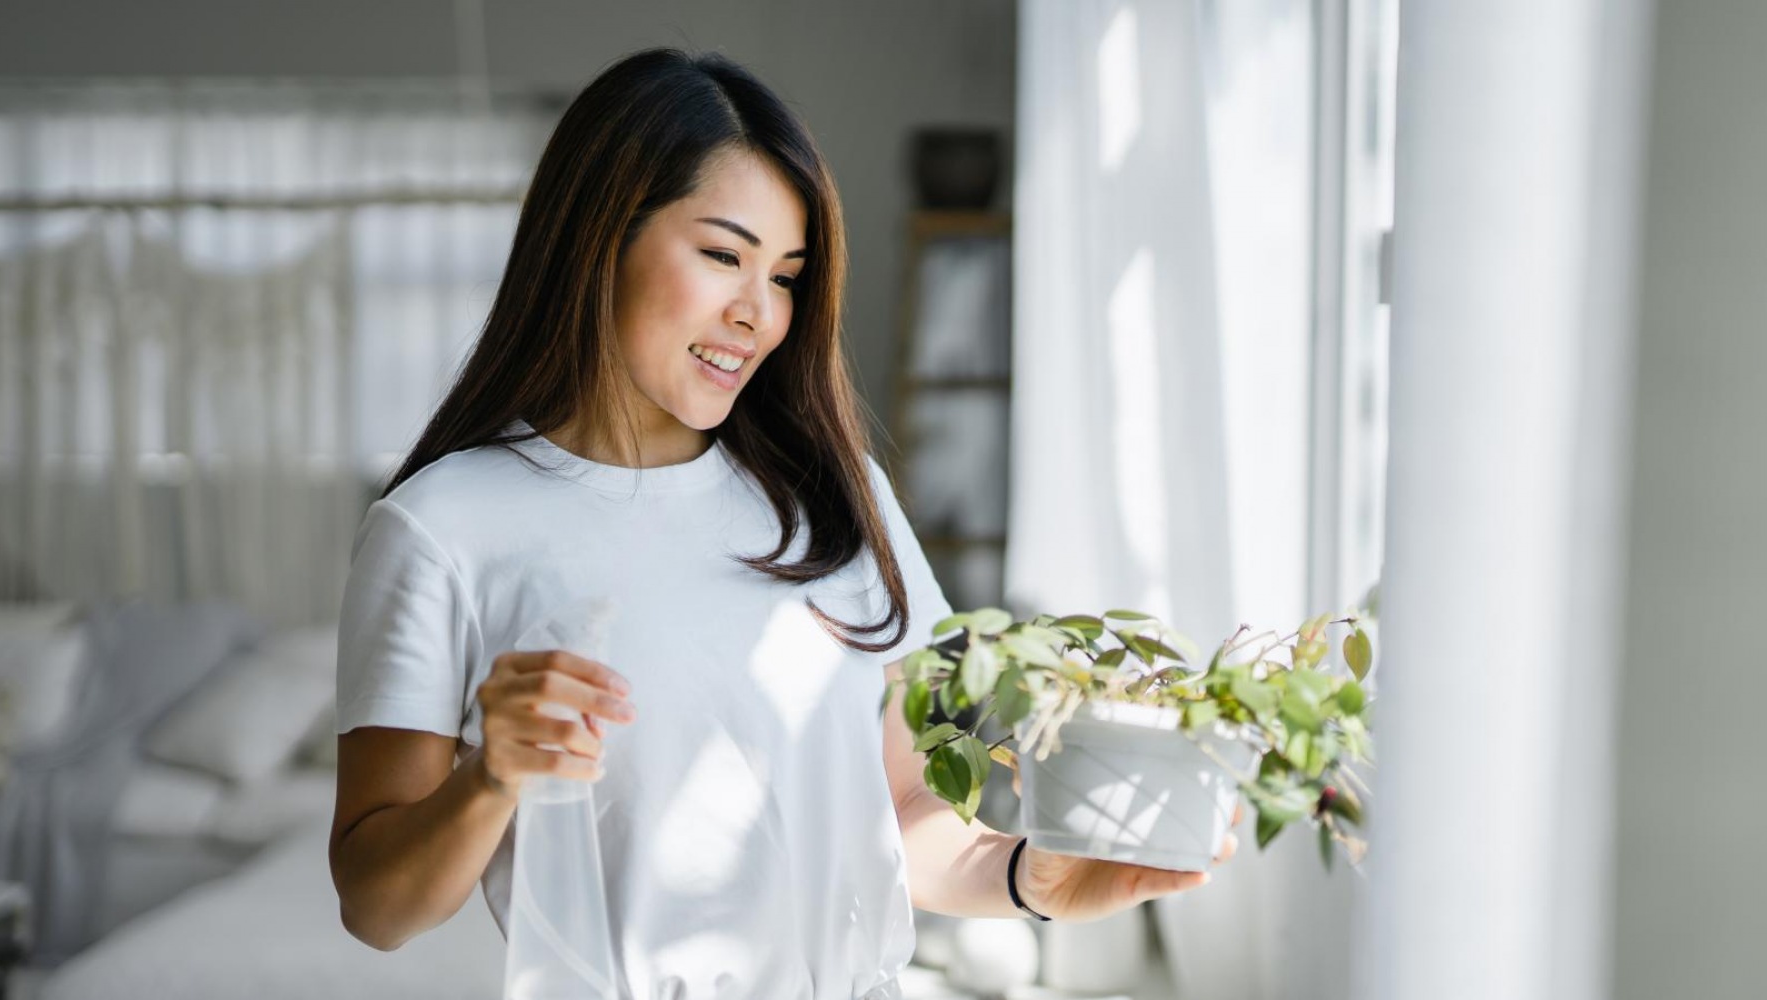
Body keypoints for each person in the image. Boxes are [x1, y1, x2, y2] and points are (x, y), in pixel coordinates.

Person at [326, 47, 1239, 999]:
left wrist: (1029, 876)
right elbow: (378, 908)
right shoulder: (442, 527)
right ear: (598, 238)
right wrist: (490, 777)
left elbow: (902, 808)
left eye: (788, 275)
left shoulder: (840, 501)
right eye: (723, 255)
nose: (758, 316)